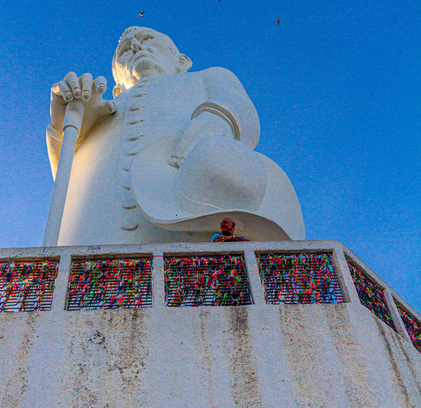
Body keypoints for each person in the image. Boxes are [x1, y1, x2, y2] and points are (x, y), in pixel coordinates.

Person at [46, 26, 304, 246]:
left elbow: (238, 105)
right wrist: (68, 125)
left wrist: (219, 118)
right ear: (116, 88)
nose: (135, 46)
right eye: (124, 50)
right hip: (93, 237)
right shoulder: (107, 109)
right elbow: (68, 182)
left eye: (148, 40)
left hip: (184, 219)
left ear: (182, 61)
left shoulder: (206, 77)